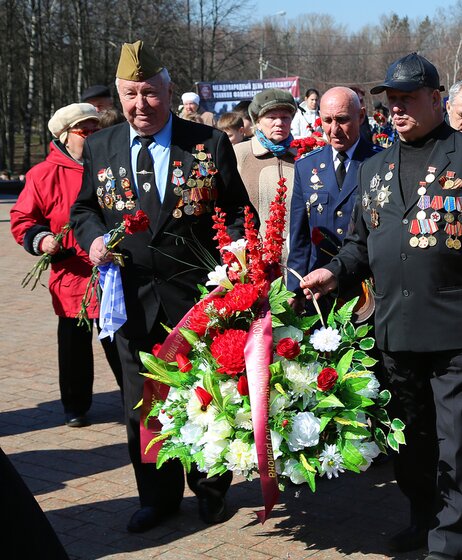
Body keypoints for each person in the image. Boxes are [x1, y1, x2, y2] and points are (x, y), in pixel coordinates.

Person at [300, 52, 462, 560]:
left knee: (457, 441)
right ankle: (422, 517)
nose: (398, 109)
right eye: (392, 100)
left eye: (408, 98)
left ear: (436, 99)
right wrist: (335, 271)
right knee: (408, 440)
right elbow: (363, 245)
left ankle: (450, 541)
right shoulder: (374, 168)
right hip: (395, 329)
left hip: (457, 328)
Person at [70, 40, 251, 533]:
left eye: (150, 93)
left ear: (168, 92)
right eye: (130, 95)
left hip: (197, 302)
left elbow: (237, 211)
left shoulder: (206, 143)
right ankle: (157, 496)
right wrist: (91, 243)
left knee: (206, 395)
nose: (140, 105)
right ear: (120, 95)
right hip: (129, 301)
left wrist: (235, 254)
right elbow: (84, 208)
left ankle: (212, 490)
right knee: (143, 403)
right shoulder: (101, 147)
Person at [10, 103, 123, 428]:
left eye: (95, 130)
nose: (91, 137)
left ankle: (135, 397)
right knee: (73, 345)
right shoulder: (44, 174)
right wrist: (42, 239)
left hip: (115, 273)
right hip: (73, 275)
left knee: (119, 339)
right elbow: (22, 218)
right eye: (83, 131)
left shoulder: (111, 165)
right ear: (64, 136)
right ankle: (75, 404)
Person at [287, 86, 379, 293]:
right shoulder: (306, 167)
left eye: (343, 120)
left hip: (367, 286)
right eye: (327, 121)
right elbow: (300, 236)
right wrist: (294, 289)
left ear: (361, 116)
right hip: (318, 288)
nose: (334, 130)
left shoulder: (380, 163)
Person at [234, 88, 297, 266]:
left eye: (285, 117)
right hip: (254, 263)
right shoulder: (239, 155)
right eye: (271, 117)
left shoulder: (304, 155)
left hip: (297, 264)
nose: (279, 123)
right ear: (257, 122)